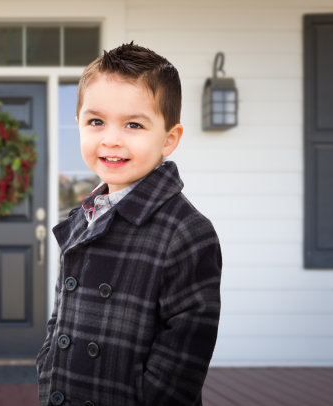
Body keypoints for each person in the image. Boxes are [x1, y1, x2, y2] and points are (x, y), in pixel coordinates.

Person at [36, 42, 222, 406]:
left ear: (169, 139)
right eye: (96, 122)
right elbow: (62, 317)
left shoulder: (187, 232)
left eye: (134, 124)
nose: (111, 139)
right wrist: (47, 361)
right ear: (78, 125)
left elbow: (183, 358)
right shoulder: (83, 218)